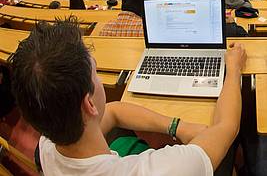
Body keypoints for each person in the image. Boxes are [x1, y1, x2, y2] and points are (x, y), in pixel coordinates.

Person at [11, 17, 247, 176]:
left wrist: (177, 126)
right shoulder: (164, 169)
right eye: (95, 72)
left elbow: (113, 111)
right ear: (89, 104)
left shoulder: (47, 144)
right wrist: (234, 66)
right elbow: (227, 126)